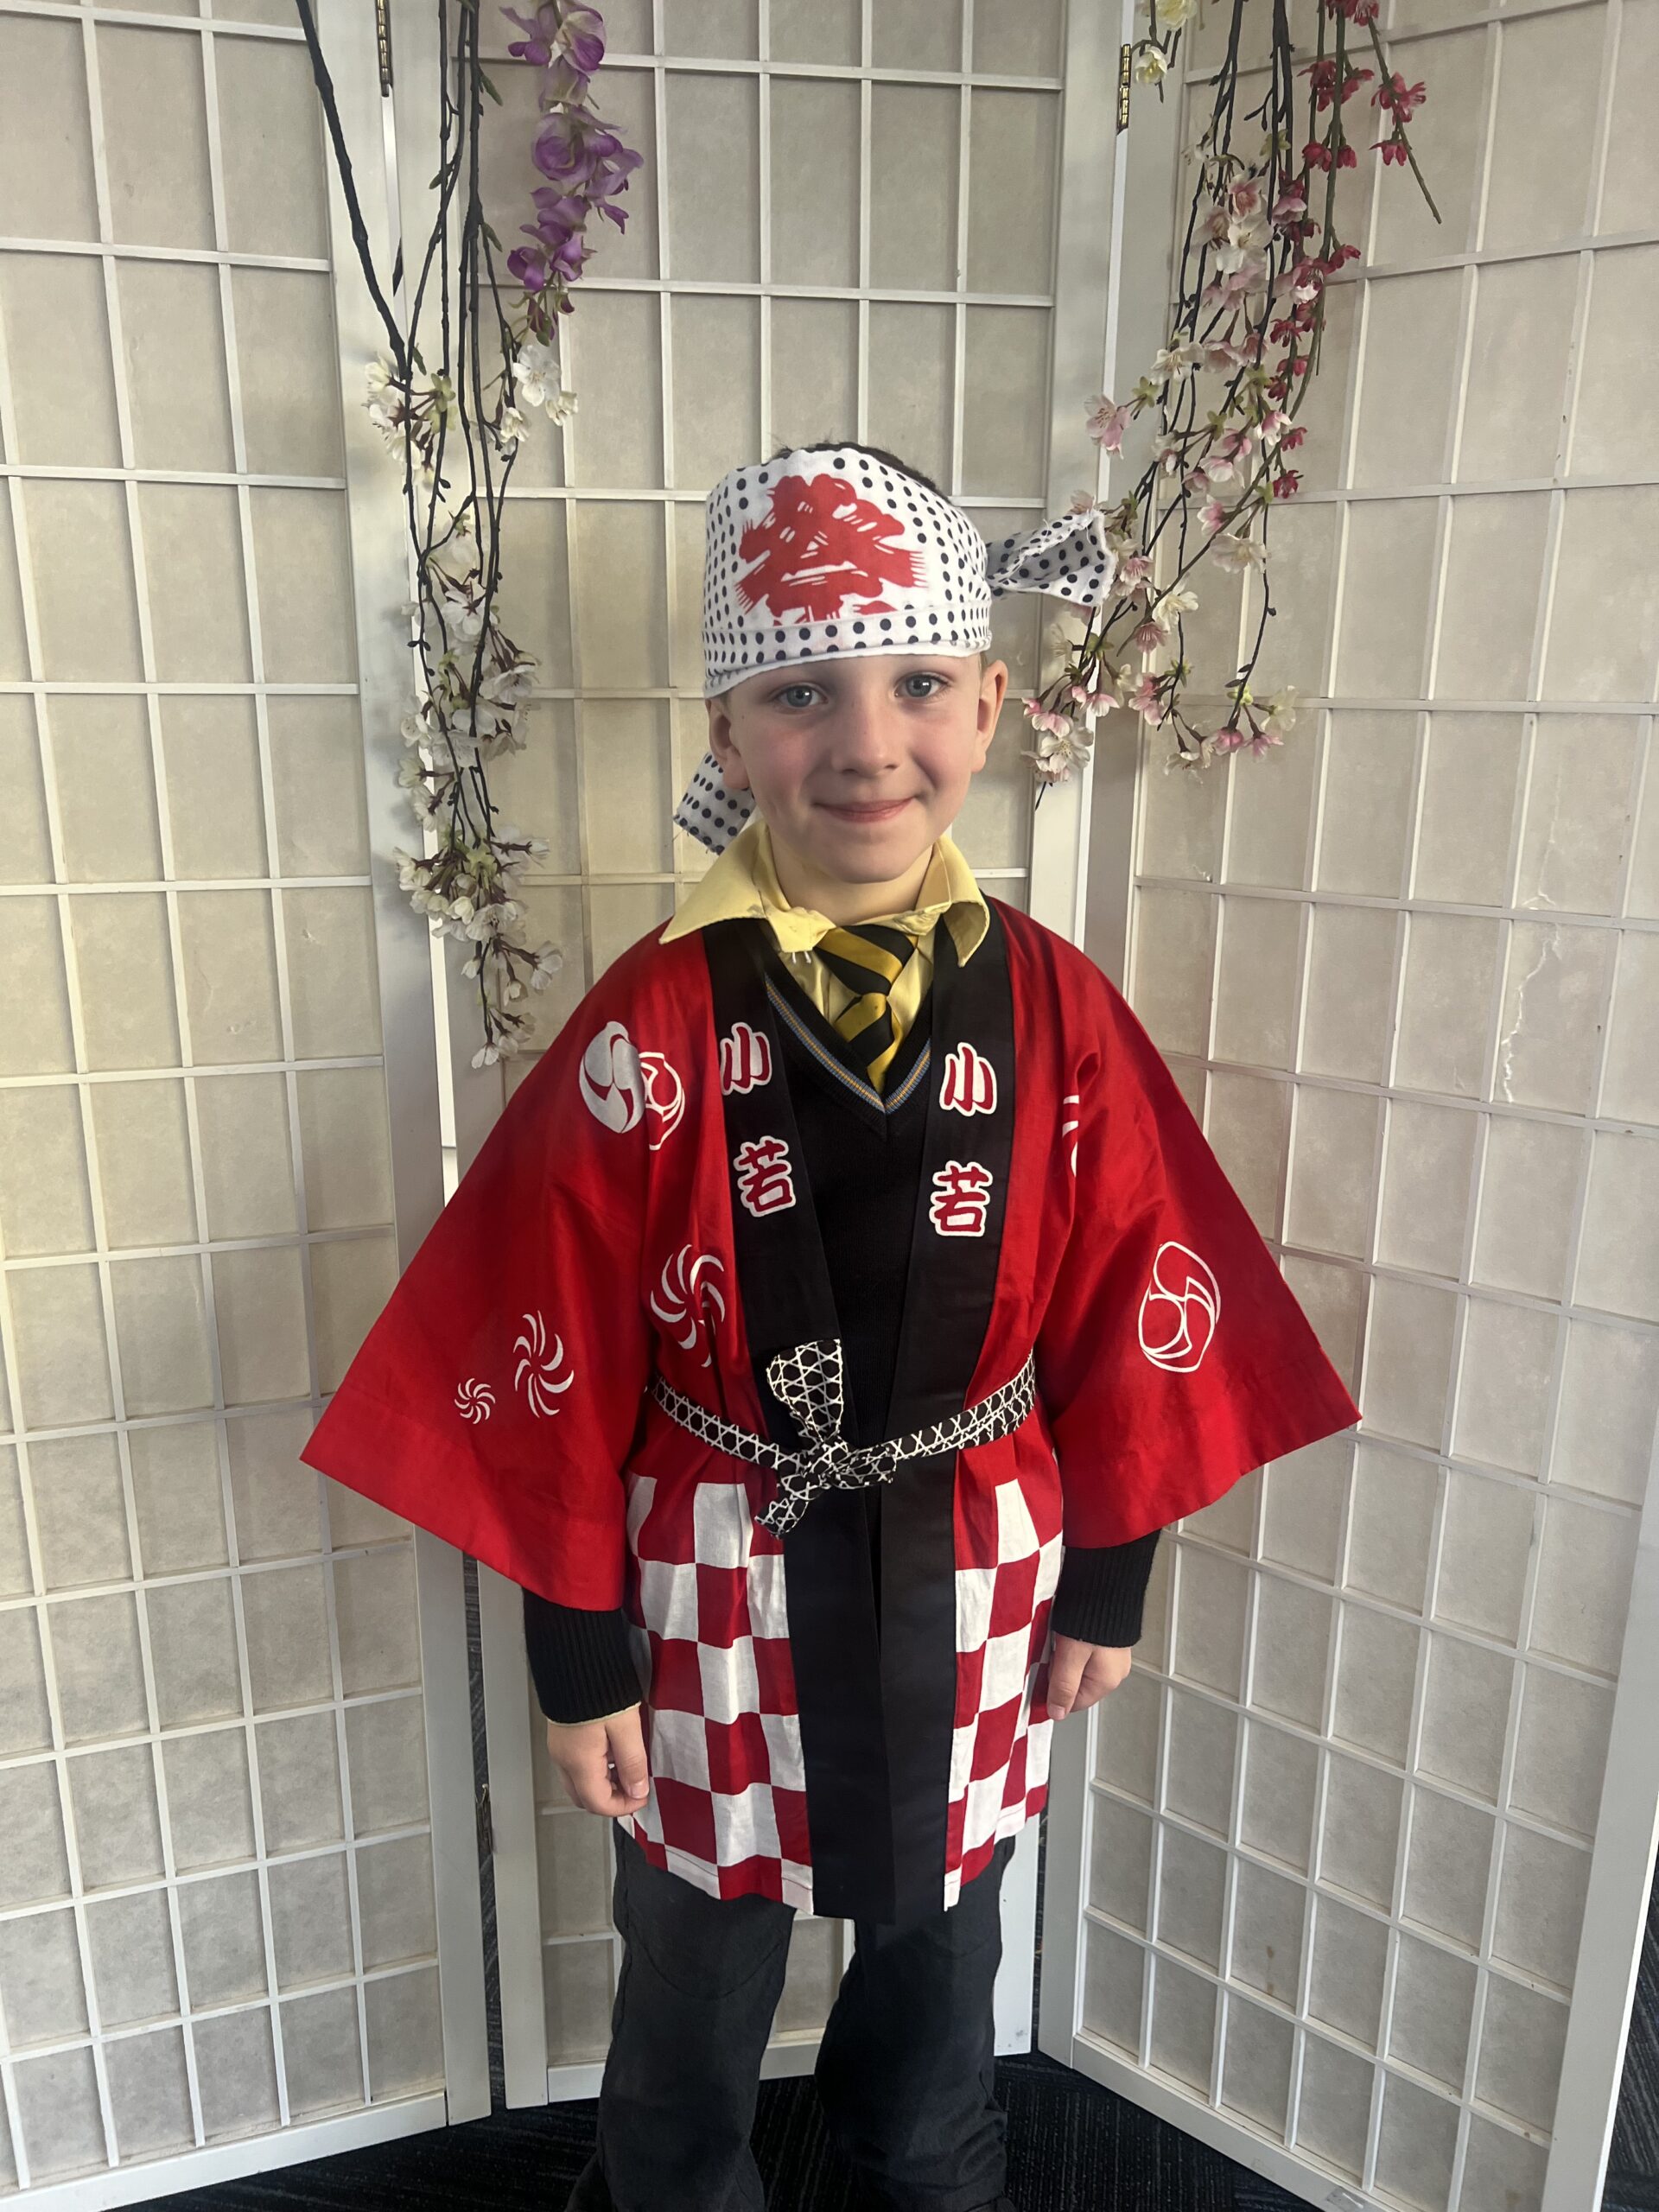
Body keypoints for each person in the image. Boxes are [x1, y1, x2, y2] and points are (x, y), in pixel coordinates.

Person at [301, 441, 1361, 2212]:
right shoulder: (649, 1017)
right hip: (707, 1568)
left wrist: (1111, 1573)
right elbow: (545, 1332)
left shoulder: (1057, 1004)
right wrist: (576, 1654)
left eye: (920, 683)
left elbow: (1141, 1289)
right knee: (690, 1965)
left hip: (982, 1560)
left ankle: (926, 2179)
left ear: (993, 703)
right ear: (727, 733)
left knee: (944, 1962)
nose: (868, 743)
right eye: (802, 693)